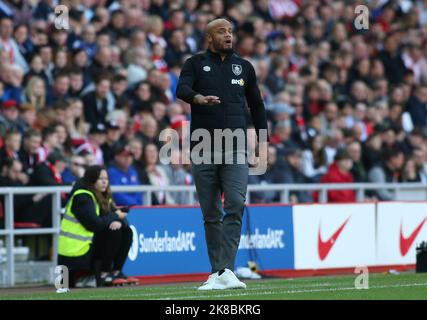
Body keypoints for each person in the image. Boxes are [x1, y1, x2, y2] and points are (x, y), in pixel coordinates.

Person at [176, 18, 268, 290]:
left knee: (236, 203)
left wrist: (263, 142)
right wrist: (197, 99)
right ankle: (219, 271)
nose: (228, 35)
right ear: (209, 37)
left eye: (230, 31)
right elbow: (180, 89)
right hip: (203, 147)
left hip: (236, 146)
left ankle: (225, 269)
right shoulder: (194, 63)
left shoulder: (245, 67)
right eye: (221, 31)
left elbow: (257, 106)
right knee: (211, 212)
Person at [58, 165, 137, 288]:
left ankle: (115, 272)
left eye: (106, 178)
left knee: (125, 230)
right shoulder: (82, 197)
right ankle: (104, 273)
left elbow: (115, 216)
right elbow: (94, 224)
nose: (104, 181)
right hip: (74, 253)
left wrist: (118, 220)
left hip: (87, 247)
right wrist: (115, 217)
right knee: (113, 231)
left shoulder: (103, 196)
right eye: (100, 179)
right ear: (91, 180)